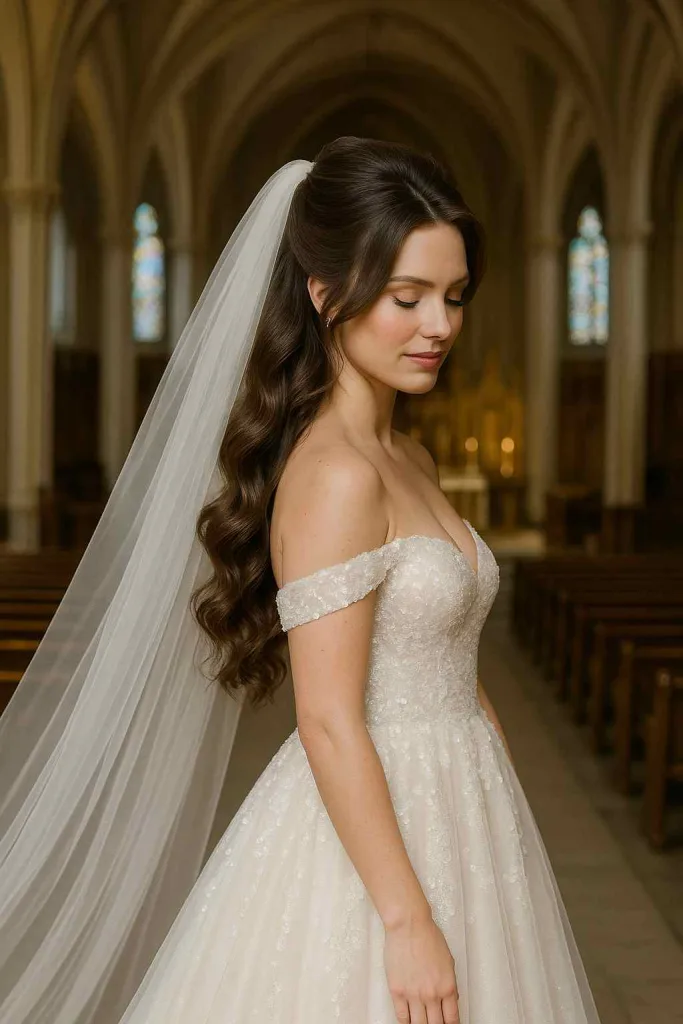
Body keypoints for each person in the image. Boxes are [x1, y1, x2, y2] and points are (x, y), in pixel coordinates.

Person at [0, 137, 601, 1024]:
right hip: (372, 824)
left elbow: (457, 672)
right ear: (324, 294)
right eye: (407, 297)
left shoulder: (410, 456)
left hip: (467, 813)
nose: (438, 324)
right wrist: (404, 920)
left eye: (453, 296)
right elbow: (325, 718)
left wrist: (505, 833)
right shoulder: (333, 476)